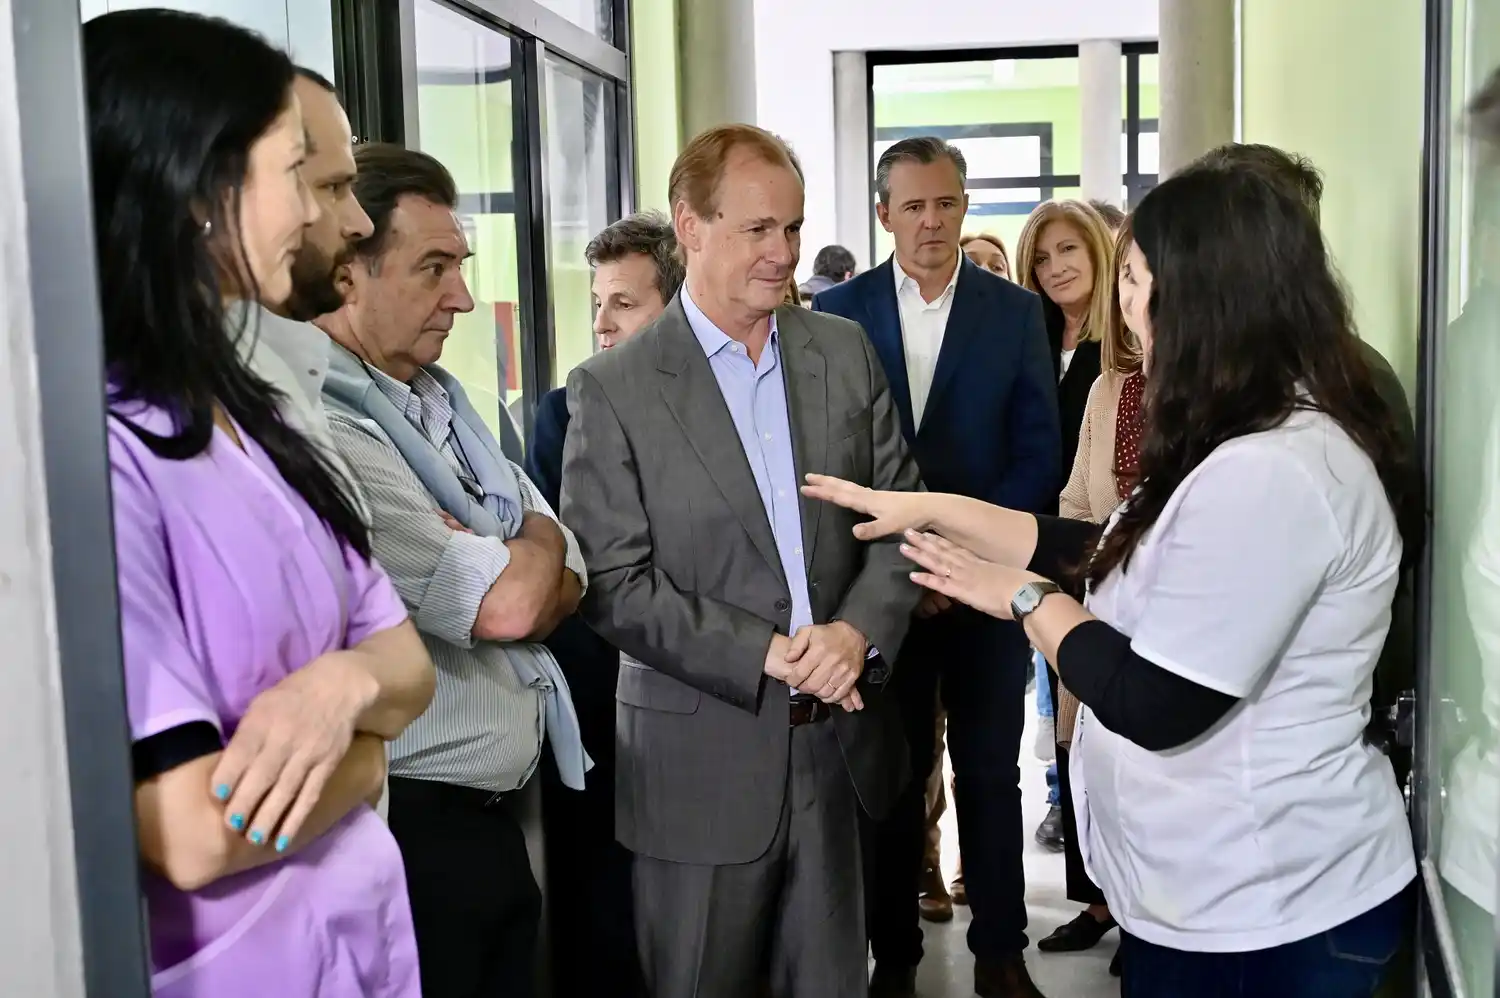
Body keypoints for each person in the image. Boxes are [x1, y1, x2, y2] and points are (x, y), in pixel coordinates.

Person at [805, 163, 1418, 998]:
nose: (1122, 304)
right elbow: (1102, 544)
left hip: (1270, 910)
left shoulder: (1275, 469)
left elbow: (1156, 700)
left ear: (1202, 296)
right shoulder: (1241, 433)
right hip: (1211, 902)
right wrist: (933, 507)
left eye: (1133, 278)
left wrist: (1021, 596)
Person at [87, 10, 436, 995]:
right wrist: (367, 760)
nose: (348, 220)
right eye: (306, 176)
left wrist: (334, 691)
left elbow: (407, 664)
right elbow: (193, 832)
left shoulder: (246, 415)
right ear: (198, 187)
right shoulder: (110, 460)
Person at [560, 123, 923, 998]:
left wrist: (855, 636)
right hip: (698, 769)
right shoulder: (614, 387)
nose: (783, 252)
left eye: (793, 228)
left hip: (839, 749)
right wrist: (763, 650)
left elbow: (902, 517)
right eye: (758, 229)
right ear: (689, 227)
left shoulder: (841, 352)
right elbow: (611, 579)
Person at [317, 143, 588, 998]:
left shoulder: (444, 403)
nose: (463, 299)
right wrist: (528, 541)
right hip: (410, 832)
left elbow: (572, 570)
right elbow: (508, 607)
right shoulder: (333, 432)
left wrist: (528, 543)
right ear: (344, 273)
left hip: (494, 824)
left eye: (460, 267)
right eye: (432, 269)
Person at [813, 136, 1059, 998]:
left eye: (947, 203)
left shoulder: (1014, 312)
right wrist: (903, 572)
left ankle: (1002, 950)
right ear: (883, 212)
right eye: (914, 205)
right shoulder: (835, 314)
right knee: (891, 775)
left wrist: (966, 561)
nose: (932, 221)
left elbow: (1039, 453)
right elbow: (830, 456)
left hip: (987, 592)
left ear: (964, 208)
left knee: (992, 771)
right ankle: (895, 959)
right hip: (881, 592)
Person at [524, 211, 683, 998]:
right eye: (598, 302)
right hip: (594, 693)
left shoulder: (722, 411)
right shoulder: (561, 413)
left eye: (624, 302)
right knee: (600, 888)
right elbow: (569, 555)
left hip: (701, 684)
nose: (602, 321)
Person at [1012, 199, 1116, 938]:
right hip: (1038, 549)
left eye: (1069, 251)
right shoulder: (1030, 337)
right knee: (1063, 730)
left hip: (1102, 552)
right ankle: (1090, 896)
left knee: (1107, 723)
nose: (1056, 268)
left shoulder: (1125, 349)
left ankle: (1122, 898)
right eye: (1042, 258)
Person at [1047, 225, 1143, 976]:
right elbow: (1078, 496)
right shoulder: (1110, 386)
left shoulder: (1213, 395)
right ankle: (1103, 899)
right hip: (1093, 602)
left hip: (1154, 622)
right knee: (1083, 754)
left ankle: (1141, 916)